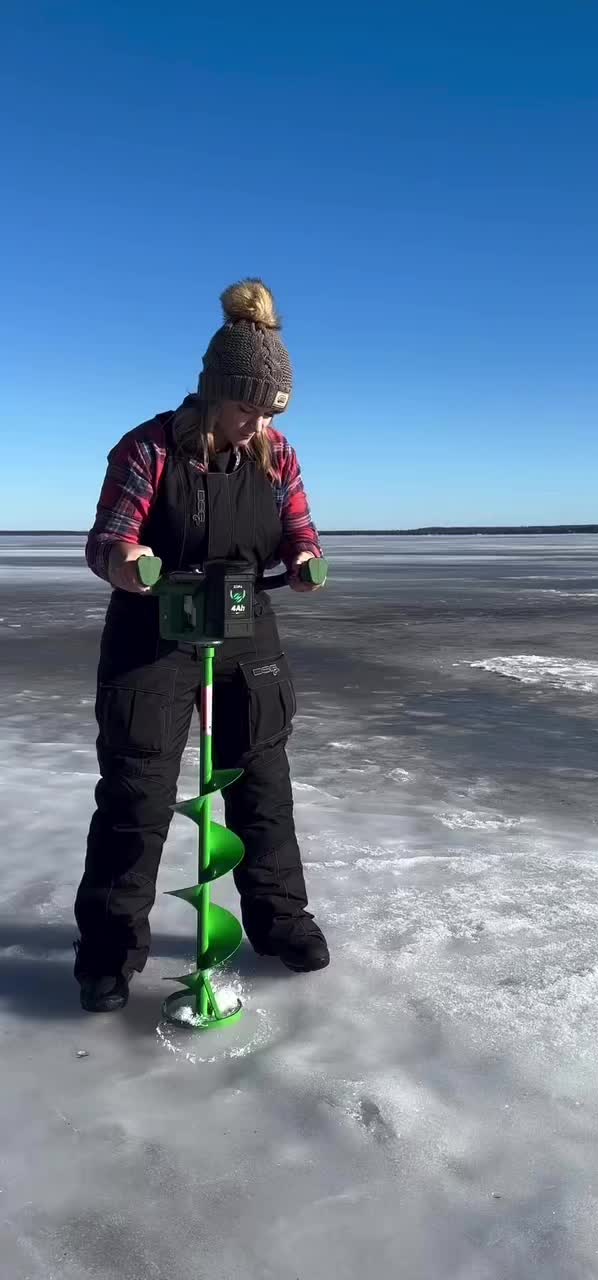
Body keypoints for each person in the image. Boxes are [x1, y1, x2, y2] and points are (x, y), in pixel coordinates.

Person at [74, 278, 329, 1013]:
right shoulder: (148, 449)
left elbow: (299, 530)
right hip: (153, 632)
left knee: (262, 787)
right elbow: (107, 539)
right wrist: (127, 564)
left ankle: (281, 923)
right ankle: (110, 953)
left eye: (268, 412)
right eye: (247, 408)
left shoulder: (277, 456)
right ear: (216, 392)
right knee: (136, 794)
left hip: (248, 629)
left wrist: (307, 561)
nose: (255, 426)